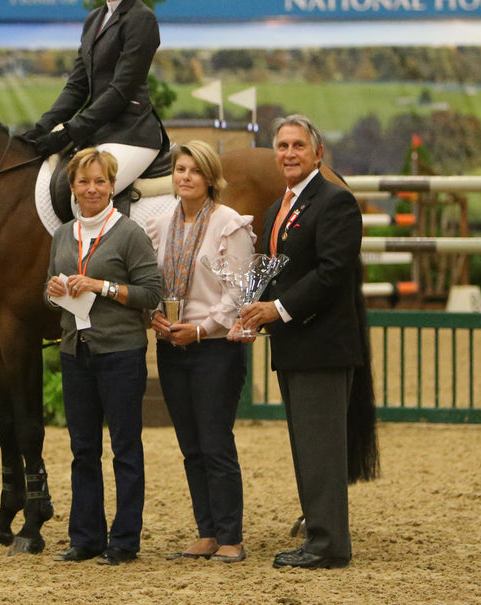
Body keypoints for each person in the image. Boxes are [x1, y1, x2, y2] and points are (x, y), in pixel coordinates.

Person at [230, 114, 365, 569]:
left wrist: (278, 310)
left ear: (317, 153)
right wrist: (249, 313)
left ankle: (329, 545)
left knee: (322, 446)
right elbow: (271, 273)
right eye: (283, 146)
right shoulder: (278, 209)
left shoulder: (336, 202)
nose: (289, 154)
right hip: (293, 345)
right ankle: (318, 535)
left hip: (323, 345)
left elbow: (331, 273)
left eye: (298, 146)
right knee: (307, 445)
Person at [45, 147, 164, 565]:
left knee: (125, 448)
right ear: (73, 188)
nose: (91, 189)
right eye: (83, 182)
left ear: (112, 186)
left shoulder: (129, 233)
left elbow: (152, 293)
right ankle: (86, 537)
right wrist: (54, 293)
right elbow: (50, 288)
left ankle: (125, 540)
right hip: (76, 351)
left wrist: (101, 286)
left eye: (100, 181)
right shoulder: (63, 235)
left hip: (121, 352)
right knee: (83, 449)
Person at [147, 140, 256, 564]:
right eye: (179, 170)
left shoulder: (230, 224)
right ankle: (206, 532)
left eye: (194, 170)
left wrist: (202, 327)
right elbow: (151, 281)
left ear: (210, 178)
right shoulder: (160, 223)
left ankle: (231, 536)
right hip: (171, 344)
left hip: (214, 348)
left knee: (215, 442)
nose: (185, 177)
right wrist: (154, 315)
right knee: (190, 445)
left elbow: (238, 292)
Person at [22, 0, 167, 197]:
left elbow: (121, 90)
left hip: (132, 134)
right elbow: (77, 86)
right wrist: (40, 129)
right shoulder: (94, 19)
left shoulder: (141, 19)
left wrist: (68, 132)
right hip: (100, 131)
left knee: (89, 191)